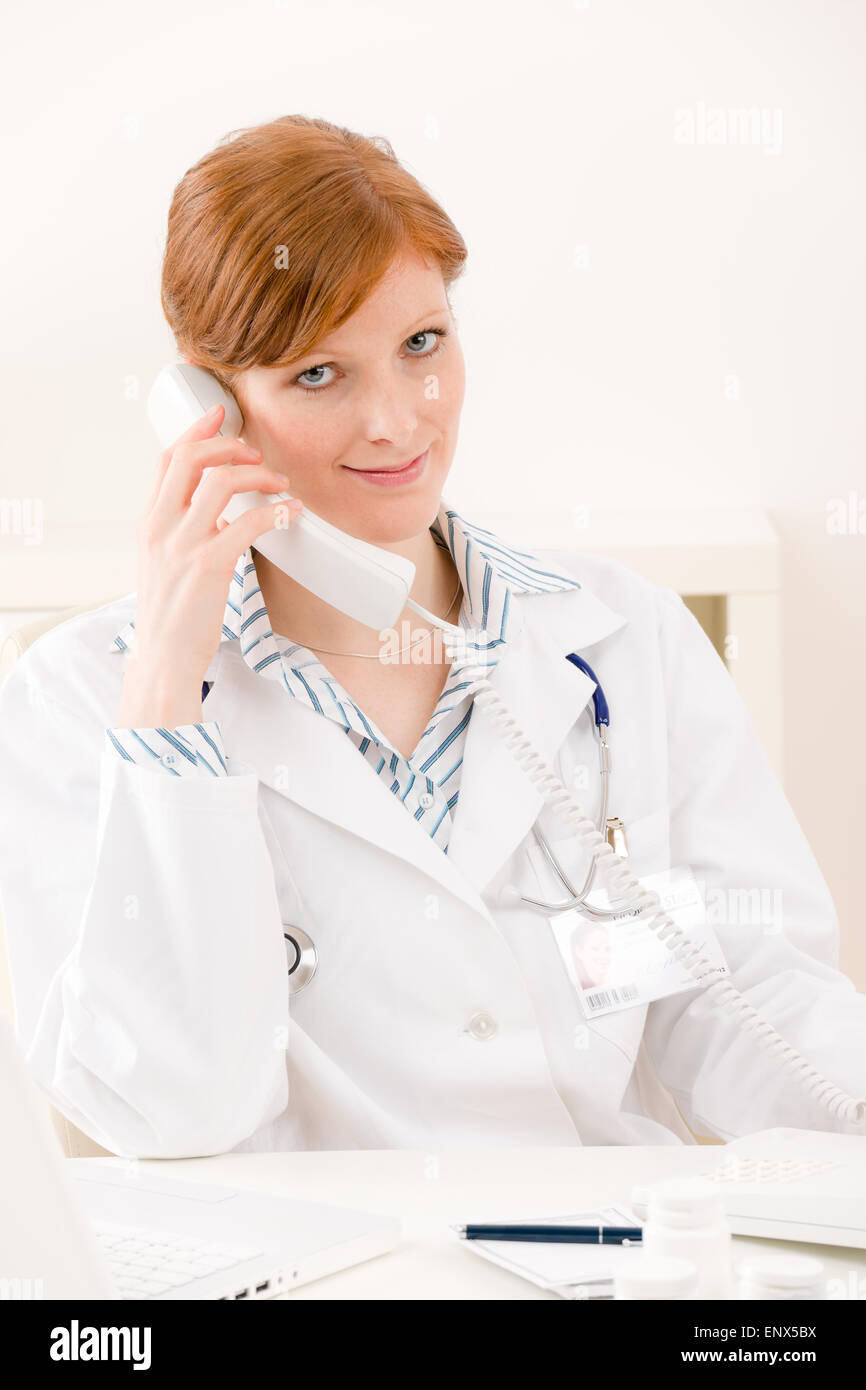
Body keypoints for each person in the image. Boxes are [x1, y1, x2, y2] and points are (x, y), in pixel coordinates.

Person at [0, 114, 864, 1160]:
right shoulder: (83, 701)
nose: (399, 423)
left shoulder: (621, 643)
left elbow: (741, 1006)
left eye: (421, 344)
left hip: (601, 1256)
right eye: (319, 374)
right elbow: (175, 1108)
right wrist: (168, 691)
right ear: (206, 405)